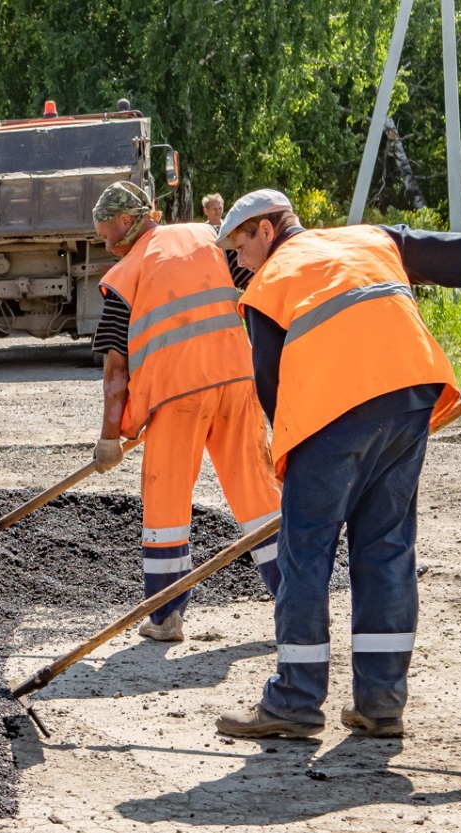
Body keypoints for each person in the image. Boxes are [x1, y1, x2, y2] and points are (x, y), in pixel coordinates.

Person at [212, 189, 461, 739]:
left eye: (239, 247)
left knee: (305, 552)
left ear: (267, 230)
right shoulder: (370, 238)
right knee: (386, 547)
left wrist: (291, 463)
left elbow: (272, 390)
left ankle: (295, 701)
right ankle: (381, 704)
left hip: (333, 416)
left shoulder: (269, 286)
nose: (239, 262)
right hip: (409, 396)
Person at [88, 181, 282, 643]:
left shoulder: (127, 272)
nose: (105, 245)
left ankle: (165, 617)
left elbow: (116, 370)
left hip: (177, 399)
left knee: (166, 505)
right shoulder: (207, 236)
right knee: (259, 495)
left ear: (124, 222)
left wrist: (110, 438)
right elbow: (256, 283)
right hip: (237, 383)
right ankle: (299, 601)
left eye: (104, 234)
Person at [203, 191, 254, 289]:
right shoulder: (203, 231)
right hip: (222, 275)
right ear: (206, 211)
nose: (218, 211)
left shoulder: (230, 226)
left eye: (220, 208)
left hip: (246, 272)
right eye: (214, 209)